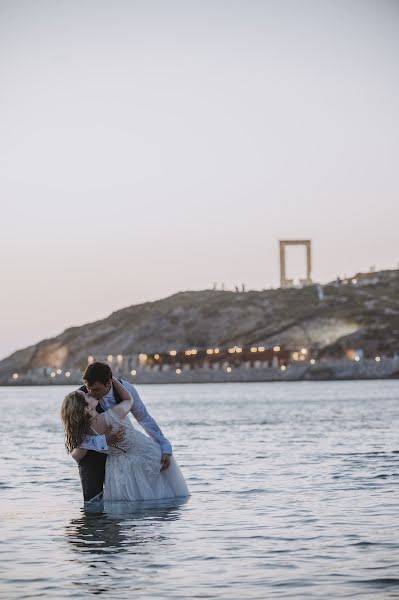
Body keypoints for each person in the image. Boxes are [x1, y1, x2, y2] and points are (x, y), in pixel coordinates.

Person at [61, 362, 189, 502]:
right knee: (93, 501)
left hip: (127, 452)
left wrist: (164, 445)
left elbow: (144, 418)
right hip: (95, 456)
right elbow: (75, 442)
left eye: (96, 389)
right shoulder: (80, 400)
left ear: (109, 383)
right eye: (88, 388)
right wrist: (104, 440)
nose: (90, 393)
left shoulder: (125, 389)